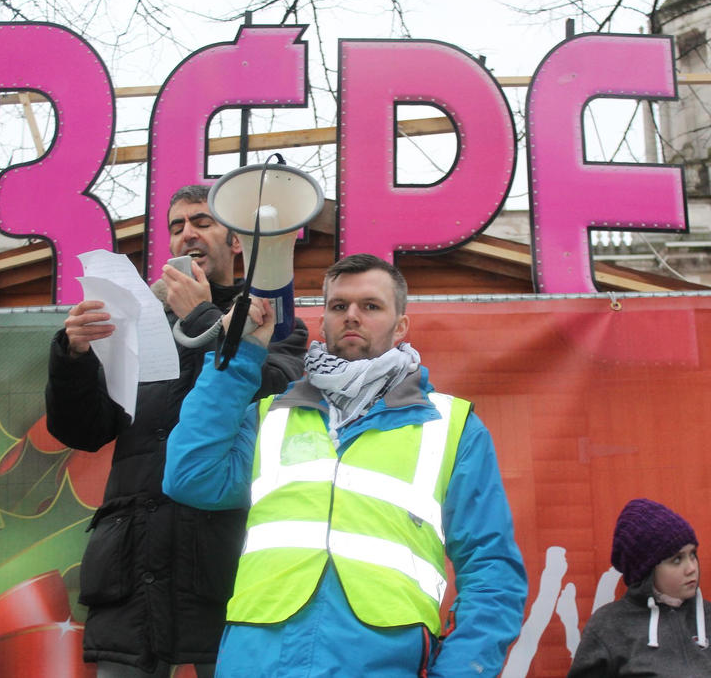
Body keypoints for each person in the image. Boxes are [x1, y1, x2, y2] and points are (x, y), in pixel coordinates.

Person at [163, 253, 527, 676]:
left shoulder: (451, 426)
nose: (352, 316)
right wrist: (239, 357)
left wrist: (461, 672)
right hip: (257, 662)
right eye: (339, 306)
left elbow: (492, 569)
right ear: (323, 321)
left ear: (401, 325)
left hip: (380, 664)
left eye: (371, 306)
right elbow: (189, 477)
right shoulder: (271, 415)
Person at [45, 184, 307, 677]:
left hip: (222, 566)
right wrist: (73, 357)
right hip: (131, 570)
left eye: (202, 222)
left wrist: (204, 320)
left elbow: (274, 389)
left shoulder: (275, 320)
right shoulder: (138, 323)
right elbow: (85, 430)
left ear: (236, 243)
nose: (188, 234)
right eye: (176, 226)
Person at [567, 498, 711, 677]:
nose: (692, 568)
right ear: (647, 569)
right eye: (676, 560)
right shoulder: (607, 627)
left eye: (692, 554)